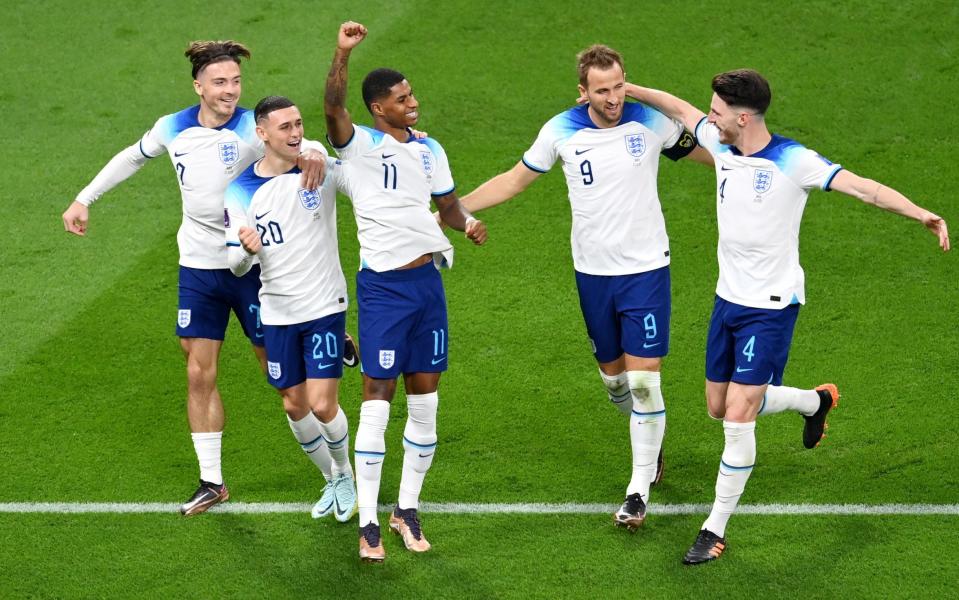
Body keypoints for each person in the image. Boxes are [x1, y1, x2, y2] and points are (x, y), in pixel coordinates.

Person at [622, 69, 949, 565]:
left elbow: (863, 188)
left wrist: (920, 212)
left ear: (743, 117)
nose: (708, 118)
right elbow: (677, 106)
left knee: (737, 416)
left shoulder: (793, 161)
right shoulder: (720, 141)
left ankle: (714, 528)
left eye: (717, 111)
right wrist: (630, 90)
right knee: (718, 405)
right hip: (727, 299)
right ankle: (813, 403)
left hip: (770, 307)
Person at [60, 41, 338, 516]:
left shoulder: (256, 128)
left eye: (235, 82)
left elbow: (297, 142)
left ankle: (336, 473)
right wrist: (85, 197)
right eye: (220, 82)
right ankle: (212, 480)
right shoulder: (174, 126)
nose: (230, 91)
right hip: (198, 266)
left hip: (253, 269)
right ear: (198, 87)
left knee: (287, 389)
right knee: (197, 367)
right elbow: (133, 156)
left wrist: (311, 150)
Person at [458, 44, 707, 533]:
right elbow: (513, 180)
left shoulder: (648, 122)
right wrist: (454, 208)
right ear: (582, 92)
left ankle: (637, 490)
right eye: (601, 91)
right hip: (592, 273)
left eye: (618, 87)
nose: (612, 98)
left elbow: (708, 153)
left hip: (645, 270)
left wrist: (741, 165)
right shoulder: (561, 131)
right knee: (615, 381)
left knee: (643, 380)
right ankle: (649, 437)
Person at [324, 21, 487, 562]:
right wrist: (342, 54)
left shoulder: (430, 149)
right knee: (377, 399)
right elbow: (332, 110)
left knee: (426, 400)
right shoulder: (360, 147)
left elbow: (447, 207)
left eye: (411, 93)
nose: (413, 102)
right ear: (378, 108)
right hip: (384, 290)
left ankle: (405, 510)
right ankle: (368, 520)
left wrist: (465, 224)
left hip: (427, 284)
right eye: (402, 98)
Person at [224, 95, 357, 522]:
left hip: (323, 304)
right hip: (277, 310)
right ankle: (331, 478)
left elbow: (361, 168)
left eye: (299, 124)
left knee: (321, 404)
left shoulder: (317, 166)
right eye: (285, 127)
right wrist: (246, 252)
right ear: (262, 133)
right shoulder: (240, 189)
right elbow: (235, 262)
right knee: (293, 404)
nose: (296, 132)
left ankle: (346, 473)